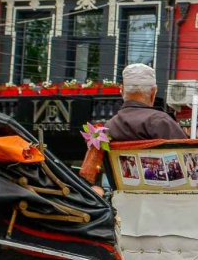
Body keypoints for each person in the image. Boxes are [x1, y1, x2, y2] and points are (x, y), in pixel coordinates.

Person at [79, 63, 188, 193]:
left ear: (122, 90)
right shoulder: (160, 122)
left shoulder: (108, 128)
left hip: (122, 202)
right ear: (153, 92)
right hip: (164, 201)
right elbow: (187, 163)